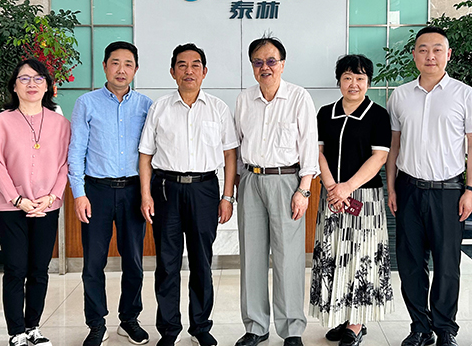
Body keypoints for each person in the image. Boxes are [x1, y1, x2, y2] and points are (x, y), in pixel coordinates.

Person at [386, 27, 472, 346]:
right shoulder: (400, 95)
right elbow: (394, 146)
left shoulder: (464, 94)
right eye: (423, 49)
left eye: (437, 49)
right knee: (410, 263)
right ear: (414, 55)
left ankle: (445, 328)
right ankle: (420, 327)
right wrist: (391, 188)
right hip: (408, 189)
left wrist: (471, 190)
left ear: (448, 54)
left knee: (447, 265)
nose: (430, 56)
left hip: (449, 191)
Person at [139, 43, 238, 346]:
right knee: (167, 264)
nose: (189, 71)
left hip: (205, 189)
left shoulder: (218, 108)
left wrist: (227, 197)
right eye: (182, 65)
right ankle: (169, 330)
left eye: (195, 65)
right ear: (172, 72)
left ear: (204, 72)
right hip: (165, 189)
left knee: (201, 262)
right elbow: (145, 154)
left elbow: (230, 155)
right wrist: (145, 195)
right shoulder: (159, 108)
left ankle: (200, 327)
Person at [234, 34, 319, 346]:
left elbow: (309, 147)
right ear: (252, 66)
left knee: (288, 258)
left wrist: (304, 190)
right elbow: (237, 146)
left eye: (271, 61)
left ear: (282, 64)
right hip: (251, 180)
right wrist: (236, 187)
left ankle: (292, 328)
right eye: (258, 62)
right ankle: (255, 326)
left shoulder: (298, 97)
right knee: (251, 256)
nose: (265, 67)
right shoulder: (244, 99)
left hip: (287, 182)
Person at [68, 41, 153, 346]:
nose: (121, 69)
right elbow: (76, 150)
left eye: (128, 64)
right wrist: (79, 193)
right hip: (96, 191)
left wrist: (148, 192)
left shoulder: (146, 105)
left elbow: (151, 152)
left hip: (133, 191)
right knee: (94, 263)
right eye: (115, 62)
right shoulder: (86, 103)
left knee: (134, 261)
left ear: (136, 69)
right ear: (104, 66)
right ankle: (96, 324)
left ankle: (129, 319)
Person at [0, 59, 71, 346]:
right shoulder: (0, 122)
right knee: (15, 269)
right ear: (14, 86)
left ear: (48, 86)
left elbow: (66, 164)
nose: (32, 84)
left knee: (39, 270)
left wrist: (52, 196)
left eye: (38, 78)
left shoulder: (61, 124)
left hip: (46, 206)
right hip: (10, 207)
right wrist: (17, 198)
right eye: (24, 79)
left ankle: (33, 327)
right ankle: (16, 332)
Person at [309, 54, 393, 346]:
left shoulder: (378, 115)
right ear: (339, 81)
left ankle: (356, 323)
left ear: (368, 82)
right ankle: (342, 316)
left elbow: (379, 157)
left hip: (364, 199)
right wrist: (332, 186)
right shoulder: (325, 113)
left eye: (360, 78)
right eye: (347, 77)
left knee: (360, 257)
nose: (353, 84)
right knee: (334, 254)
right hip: (332, 196)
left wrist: (348, 187)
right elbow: (317, 152)